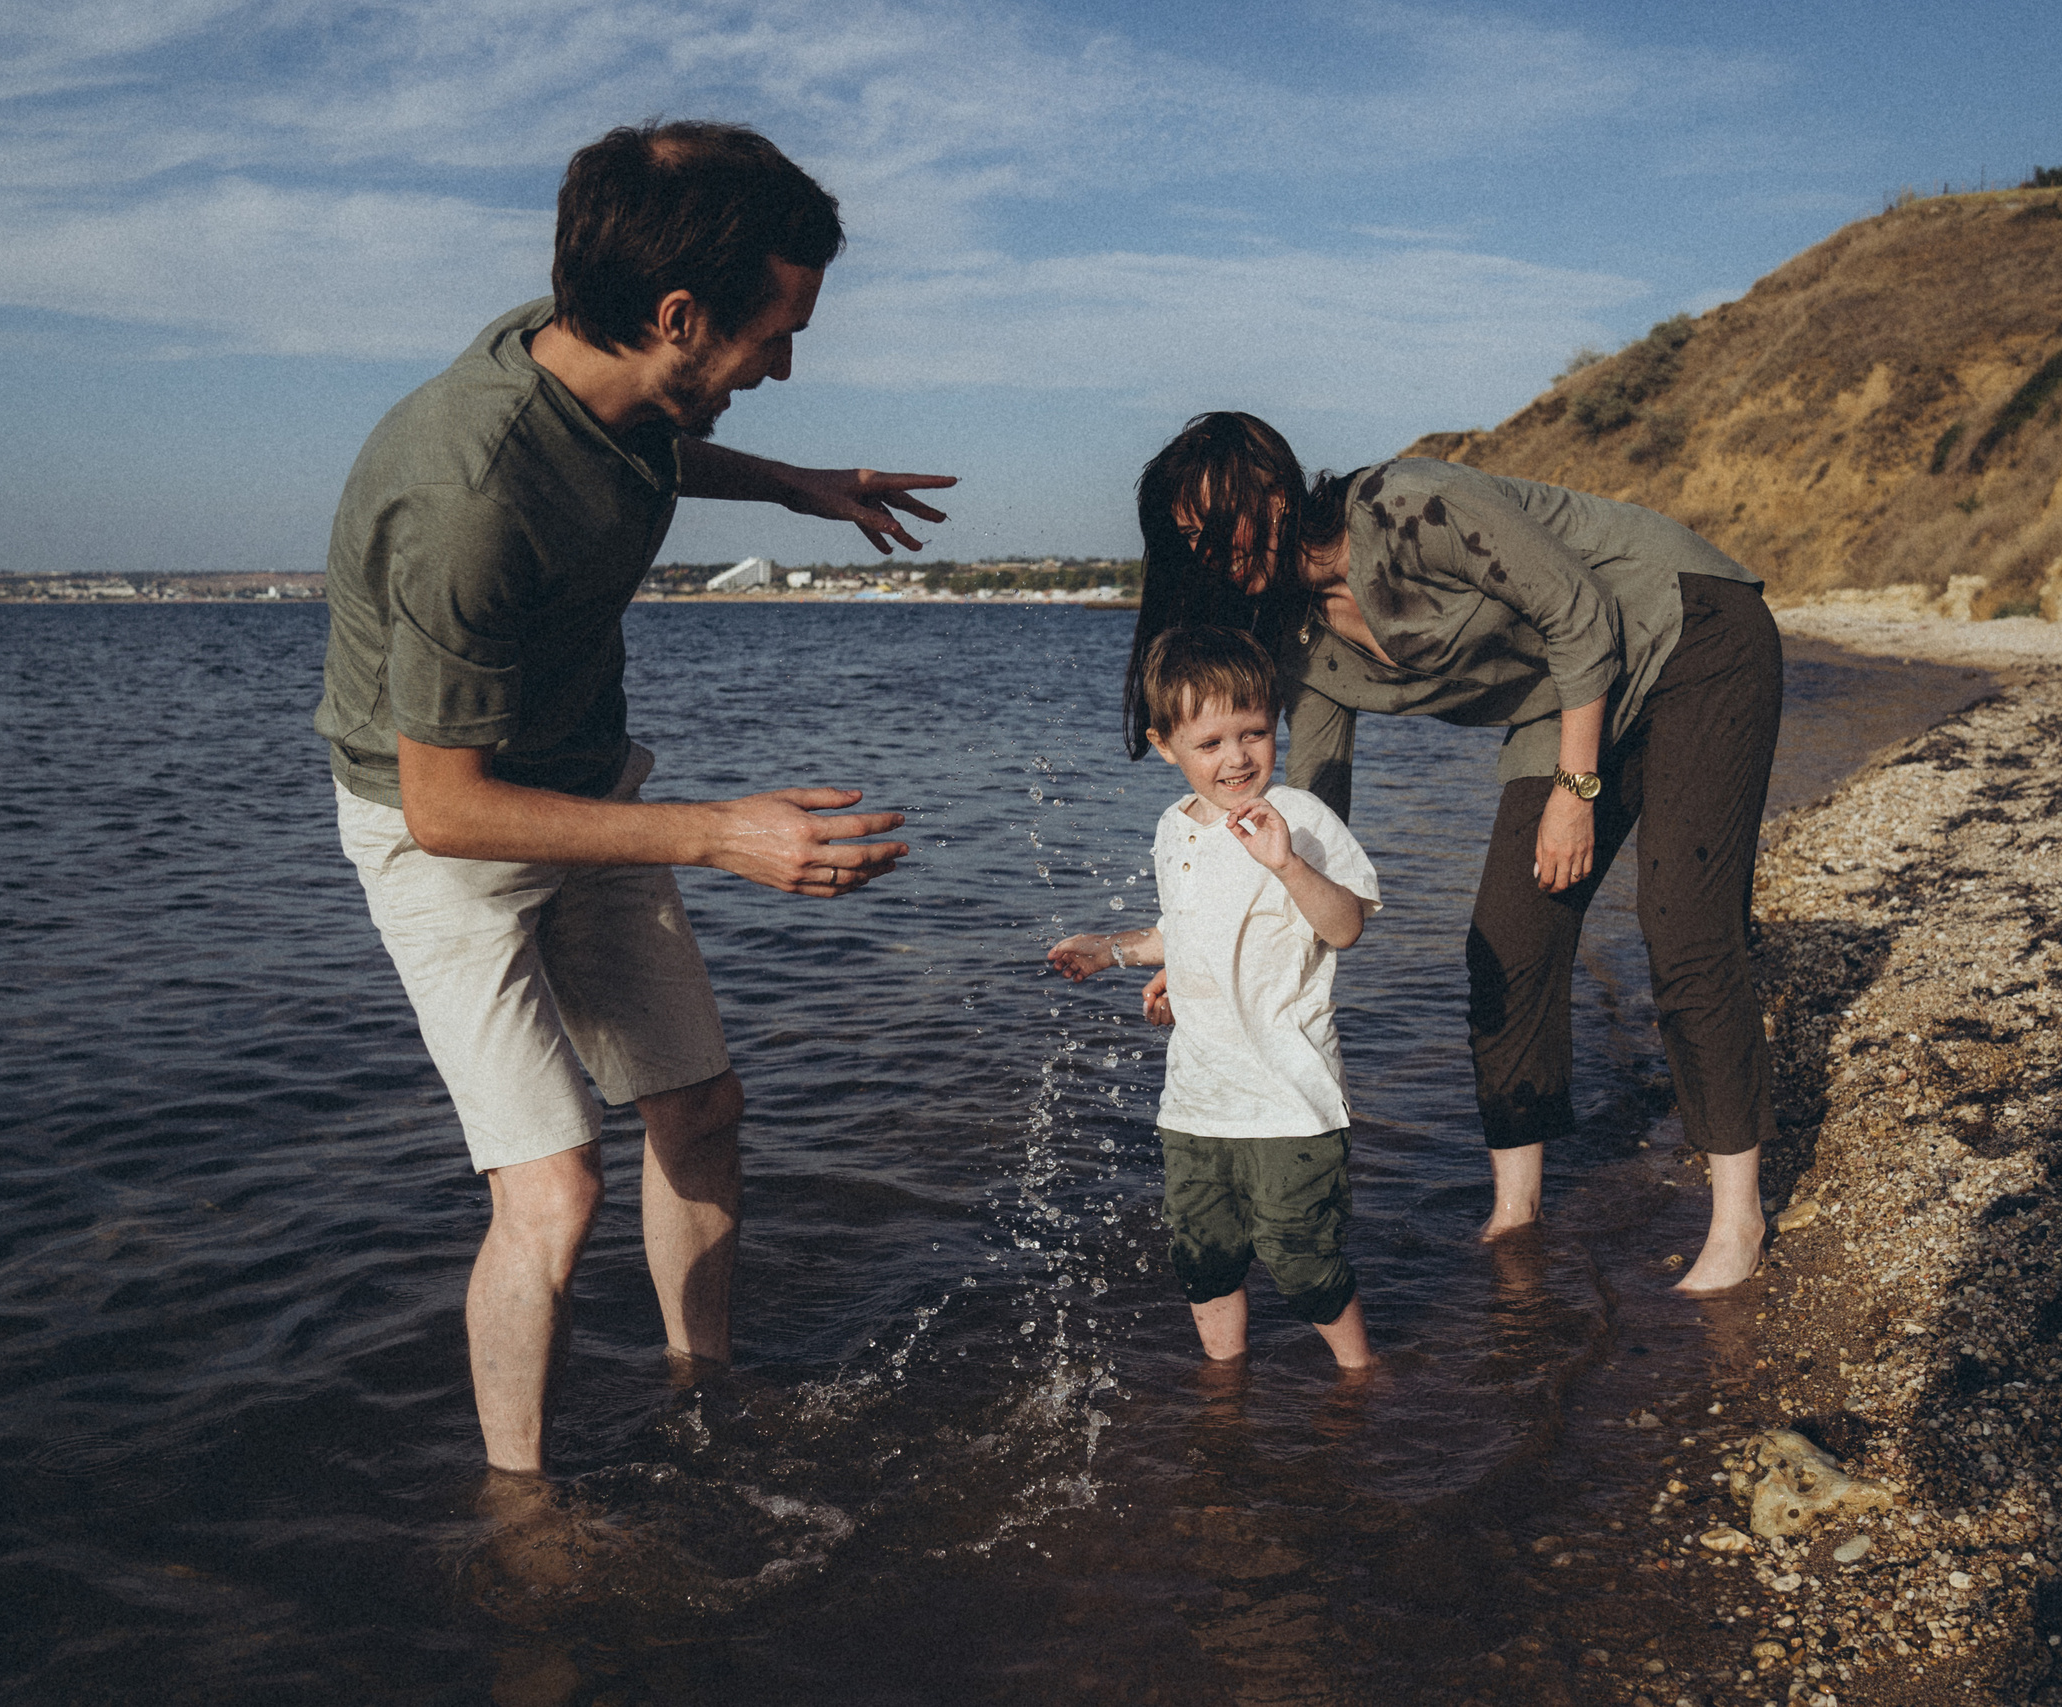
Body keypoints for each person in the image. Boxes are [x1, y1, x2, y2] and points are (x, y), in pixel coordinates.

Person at [315, 120, 957, 1475]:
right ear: (676, 316)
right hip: (446, 831)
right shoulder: (465, 494)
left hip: (583, 780)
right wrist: (724, 831)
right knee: (553, 1186)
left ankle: (702, 1395)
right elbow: (447, 809)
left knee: (702, 1105)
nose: (783, 366)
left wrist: (791, 482)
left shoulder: (591, 357)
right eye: (772, 337)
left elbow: (649, 436)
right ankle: (519, 1498)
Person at [1127, 411, 1781, 1295]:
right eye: (1190, 539)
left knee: (1682, 922)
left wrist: (1575, 791)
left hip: (1685, 629)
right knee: (1507, 939)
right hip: (1566, 698)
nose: (1209, 549)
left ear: (1275, 491)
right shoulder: (1298, 638)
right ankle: (1518, 1212)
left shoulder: (1409, 507)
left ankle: (1738, 1218)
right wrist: (1211, 949)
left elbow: (1581, 612)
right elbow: (1309, 810)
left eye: (1221, 521)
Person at [1049, 626, 1383, 1370]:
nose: (1237, 757)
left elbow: (1345, 926)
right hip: (1197, 1099)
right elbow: (1188, 925)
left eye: (1254, 733)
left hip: (1290, 1097)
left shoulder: (1300, 818)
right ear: (1166, 745)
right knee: (1203, 1257)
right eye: (1211, 743)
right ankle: (1223, 1391)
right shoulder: (1173, 830)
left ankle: (1364, 1378)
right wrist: (1114, 950)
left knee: (1302, 1260)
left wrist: (1288, 862)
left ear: (1276, 727)